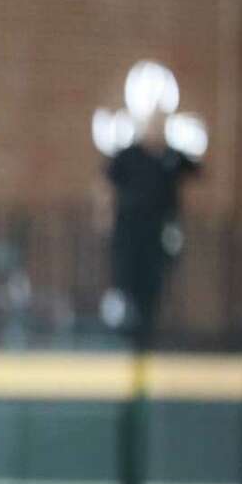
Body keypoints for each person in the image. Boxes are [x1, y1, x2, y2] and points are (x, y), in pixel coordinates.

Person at [100, 110, 199, 348]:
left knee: (152, 285)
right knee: (126, 281)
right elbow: (105, 185)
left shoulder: (172, 157)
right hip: (130, 232)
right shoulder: (128, 156)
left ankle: (146, 334)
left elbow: (198, 171)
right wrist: (105, 216)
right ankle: (123, 334)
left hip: (159, 233)